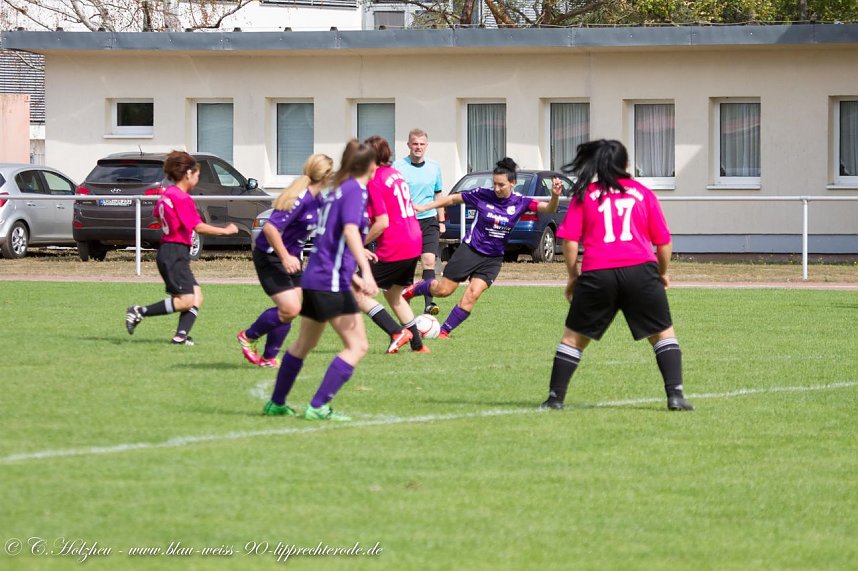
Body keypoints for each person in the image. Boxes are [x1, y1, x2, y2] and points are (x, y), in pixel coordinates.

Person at [540, 139, 694, 412]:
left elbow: (570, 241)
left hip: (598, 272)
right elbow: (664, 243)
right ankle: (675, 396)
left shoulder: (585, 194)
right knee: (662, 334)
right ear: (626, 164)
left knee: (573, 339)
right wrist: (662, 274)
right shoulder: (642, 193)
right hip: (640, 271)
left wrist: (573, 276)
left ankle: (555, 399)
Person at [262, 140, 378, 421]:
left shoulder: (336, 191)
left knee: (303, 344)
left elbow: (331, 240)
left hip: (316, 276)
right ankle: (318, 405)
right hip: (330, 281)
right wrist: (365, 271)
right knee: (358, 346)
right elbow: (350, 231)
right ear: (370, 166)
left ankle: (276, 403)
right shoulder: (354, 191)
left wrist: (352, 274)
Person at [404, 157, 561, 338]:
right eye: (494, 184)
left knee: (473, 293)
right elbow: (454, 198)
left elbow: (548, 209)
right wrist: (426, 207)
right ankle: (413, 290)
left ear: (513, 183)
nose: (496, 189)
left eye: (501, 185)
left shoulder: (521, 202)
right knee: (443, 290)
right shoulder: (483, 194)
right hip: (470, 251)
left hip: (493, 259)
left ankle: (444, 332)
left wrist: (555, 196)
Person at [125, 150, 238, 345]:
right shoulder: (182, 198)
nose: (197, 178)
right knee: (186, 300)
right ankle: (139, 311)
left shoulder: (167, 194)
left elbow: (157, 215)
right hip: (174, 252)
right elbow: (197, 226)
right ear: (188, 174)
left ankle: (180, 336)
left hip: (171, 250)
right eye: (197, 175)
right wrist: (226, 231)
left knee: (197, 296)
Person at [236, 154, 332, 368]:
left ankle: (269, 358)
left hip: (291, 258)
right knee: (290, 309)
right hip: (271, 256)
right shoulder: (300, 198)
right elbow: (270, 229)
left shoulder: (318, 199)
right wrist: (285, 256)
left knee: (290, 310)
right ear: (326, 176)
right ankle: (248, 337)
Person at [357, 136, 428, 354]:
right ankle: (418, 345)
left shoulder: (375, 180)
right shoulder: (396, 174)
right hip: (413, 240)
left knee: (356, 291)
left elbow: (382, 222)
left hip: (396, 244)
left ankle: (396, 332)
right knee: (393, 294)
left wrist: (358, 243)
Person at [393, 128, 445, 316]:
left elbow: (438, 194)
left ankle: (429, 304)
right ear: (408, 145)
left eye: (422, 144)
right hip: (405, 222)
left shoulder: (434, 167)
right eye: (415, 144)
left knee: (429, 260)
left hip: (429, 220)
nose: (418, 147)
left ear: (426, 146)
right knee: (406, 265)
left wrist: (442, 220)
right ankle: (401, 301)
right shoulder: (398, 167)